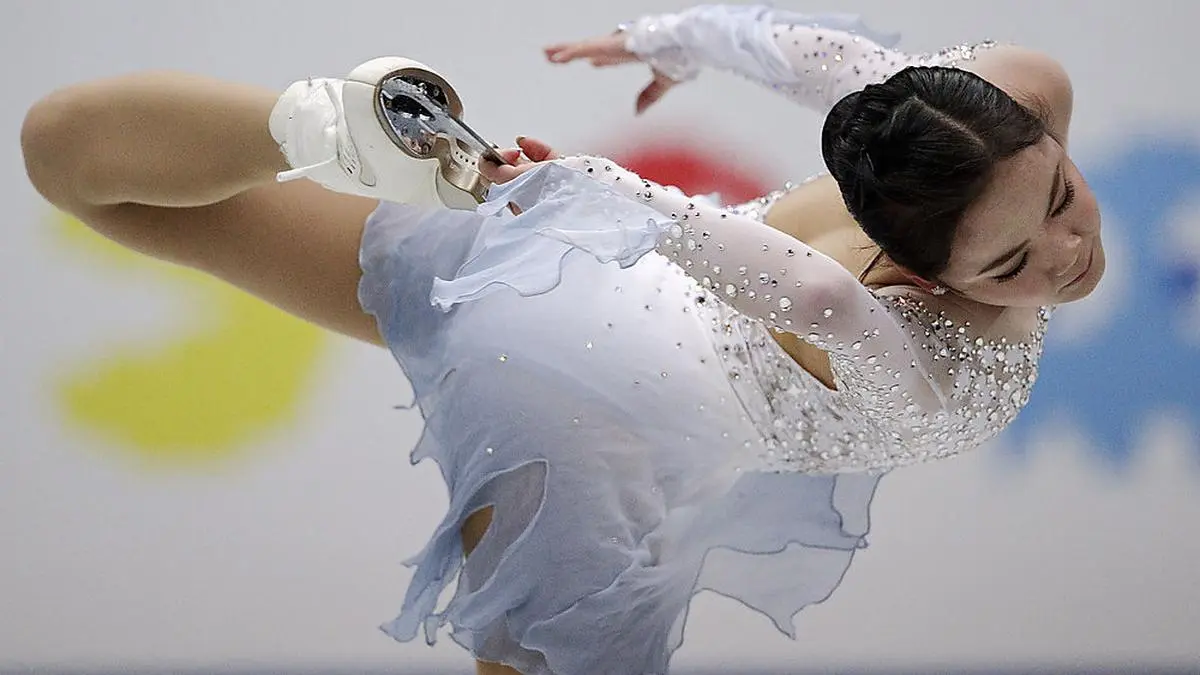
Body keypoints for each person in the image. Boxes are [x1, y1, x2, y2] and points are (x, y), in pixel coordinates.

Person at [20, 4, 1103, 675]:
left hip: (555, 263)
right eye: (1012, 258)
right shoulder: (932, 335)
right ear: (914, 267)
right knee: (68, 156)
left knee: (66, 156)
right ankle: (318, 133)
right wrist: (619, 166)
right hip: (586, 427)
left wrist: (670, 51)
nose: (1066, 253)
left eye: (1058, 196)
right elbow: (823, 297)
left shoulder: (1016, 93)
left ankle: (310, 127)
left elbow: (843, 83)